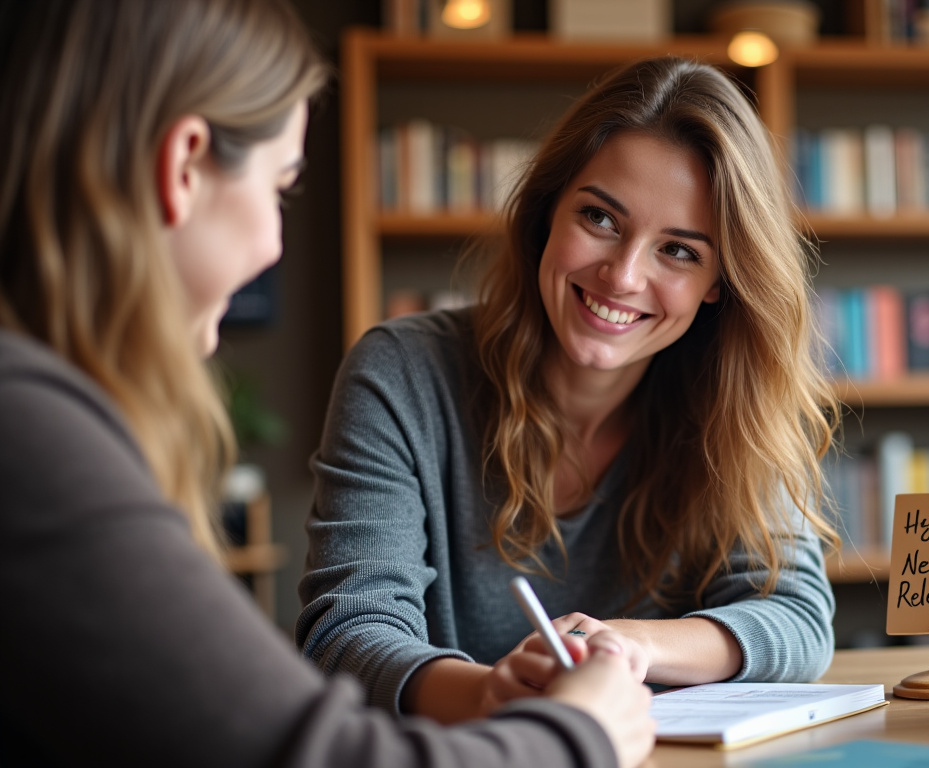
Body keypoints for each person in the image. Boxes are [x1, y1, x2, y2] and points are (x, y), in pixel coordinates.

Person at [0, 1, 654, 766]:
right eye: (280, 188)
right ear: (183, 166)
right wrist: (583, 733)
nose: (276, 240)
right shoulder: (26, 432)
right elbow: (321, 754)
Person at [298, 55, 842, 725]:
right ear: (546, 213)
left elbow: (797, 617)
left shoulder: (737, 402)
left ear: (718, 283)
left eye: (678, 251)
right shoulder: (402, 374)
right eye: (601, 219)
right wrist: (494, 693)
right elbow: (345, 633)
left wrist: (629, 646)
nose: (621, 276)